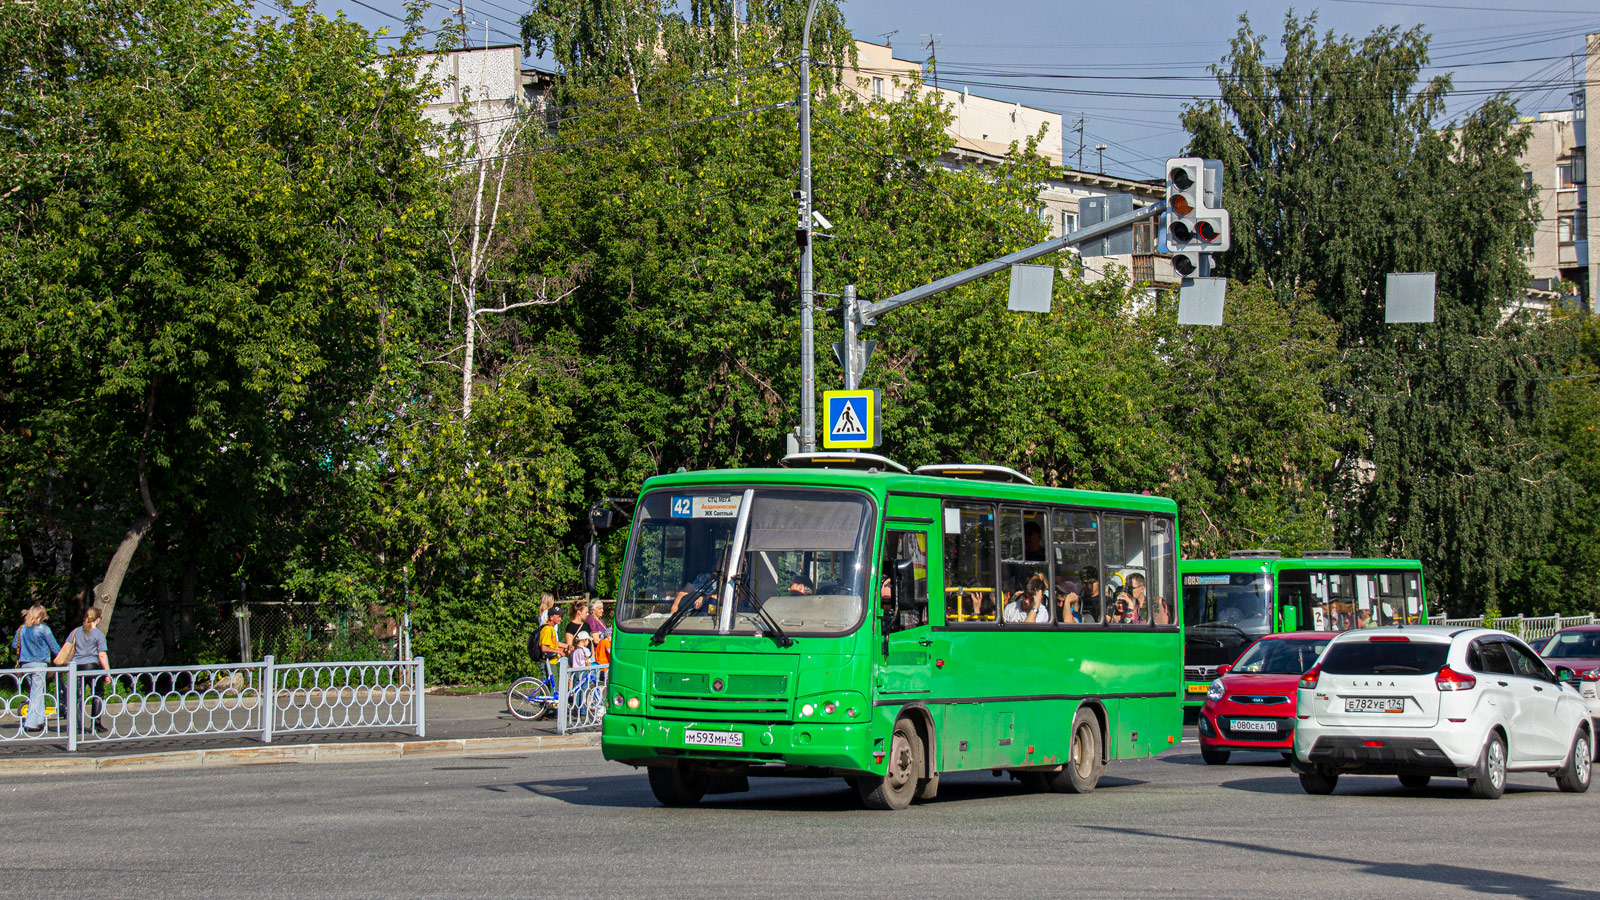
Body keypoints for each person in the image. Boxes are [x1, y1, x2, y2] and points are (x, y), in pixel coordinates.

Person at [11, 605, 60, 733]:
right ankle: (31, 723)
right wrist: (63, 657)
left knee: (37, 692)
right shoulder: (44, 629)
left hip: (25, 664)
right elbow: (54, 647)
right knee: (36, 693)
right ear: (41, 615)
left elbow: (13, 644)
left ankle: (40, 720)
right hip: (39, 663)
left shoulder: (21, 629)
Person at [67, 607, 111, 735]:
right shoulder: (98, 634)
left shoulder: (76, 631)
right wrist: (107, 673)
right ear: (97, 619)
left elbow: (67, 646)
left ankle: (78, 726)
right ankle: (96, 724)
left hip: (76, 667)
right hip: (91, 667)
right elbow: (102, 655)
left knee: (78, 697)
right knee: (97, 694)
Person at [536, 608, 566, 683]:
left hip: (551, 661)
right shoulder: (547, 629)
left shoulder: (551, 628)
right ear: (551, 617)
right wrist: (558, 651)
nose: (560, 619)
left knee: (549, 687)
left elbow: (554, 642)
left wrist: (567, 646)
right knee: (552, 688)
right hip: (548, 663)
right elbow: (544, 647)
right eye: (558, 617)